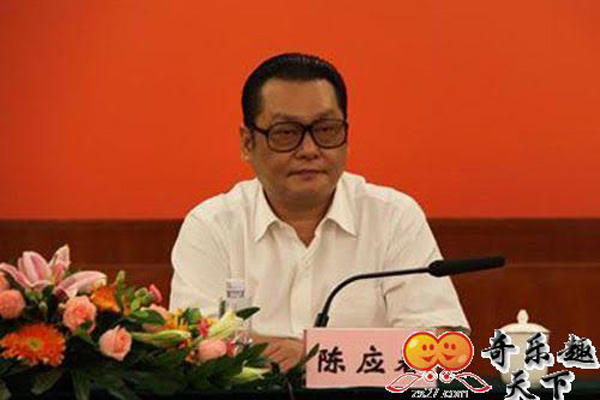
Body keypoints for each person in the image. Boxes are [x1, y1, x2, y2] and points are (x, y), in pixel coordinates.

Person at [170, 53, 469, 371]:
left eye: (326, 130)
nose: (310, 150)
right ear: (247, 143)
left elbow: (441, 348)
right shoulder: (211, 226)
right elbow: (191, 347)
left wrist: (315, 357)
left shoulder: (393, 218)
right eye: (286, 133)